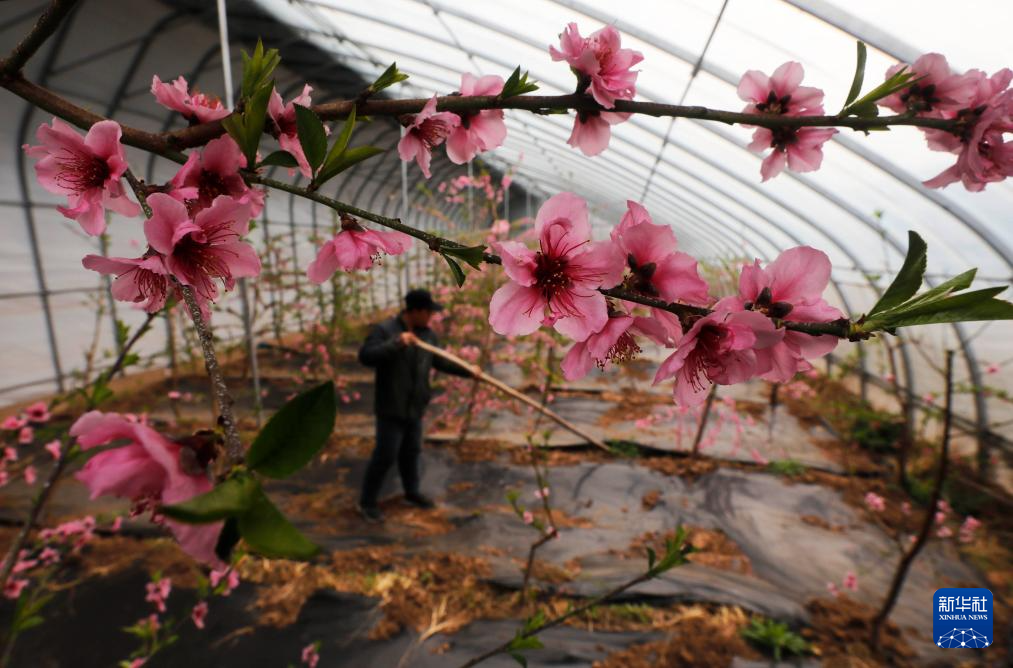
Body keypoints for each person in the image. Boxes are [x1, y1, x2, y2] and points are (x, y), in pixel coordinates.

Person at [356, 288, 473, 522]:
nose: (431, 317)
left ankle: (412, 493)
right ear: (417, 311)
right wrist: (396, 343)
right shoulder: (386, 330)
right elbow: (366, 356)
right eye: (429, 312)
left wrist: (469, 371)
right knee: (385, 455)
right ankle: (367, 503)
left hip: (415, 407)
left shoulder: (427, 336)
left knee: (411, 453)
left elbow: (440, 361)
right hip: (391, 407)